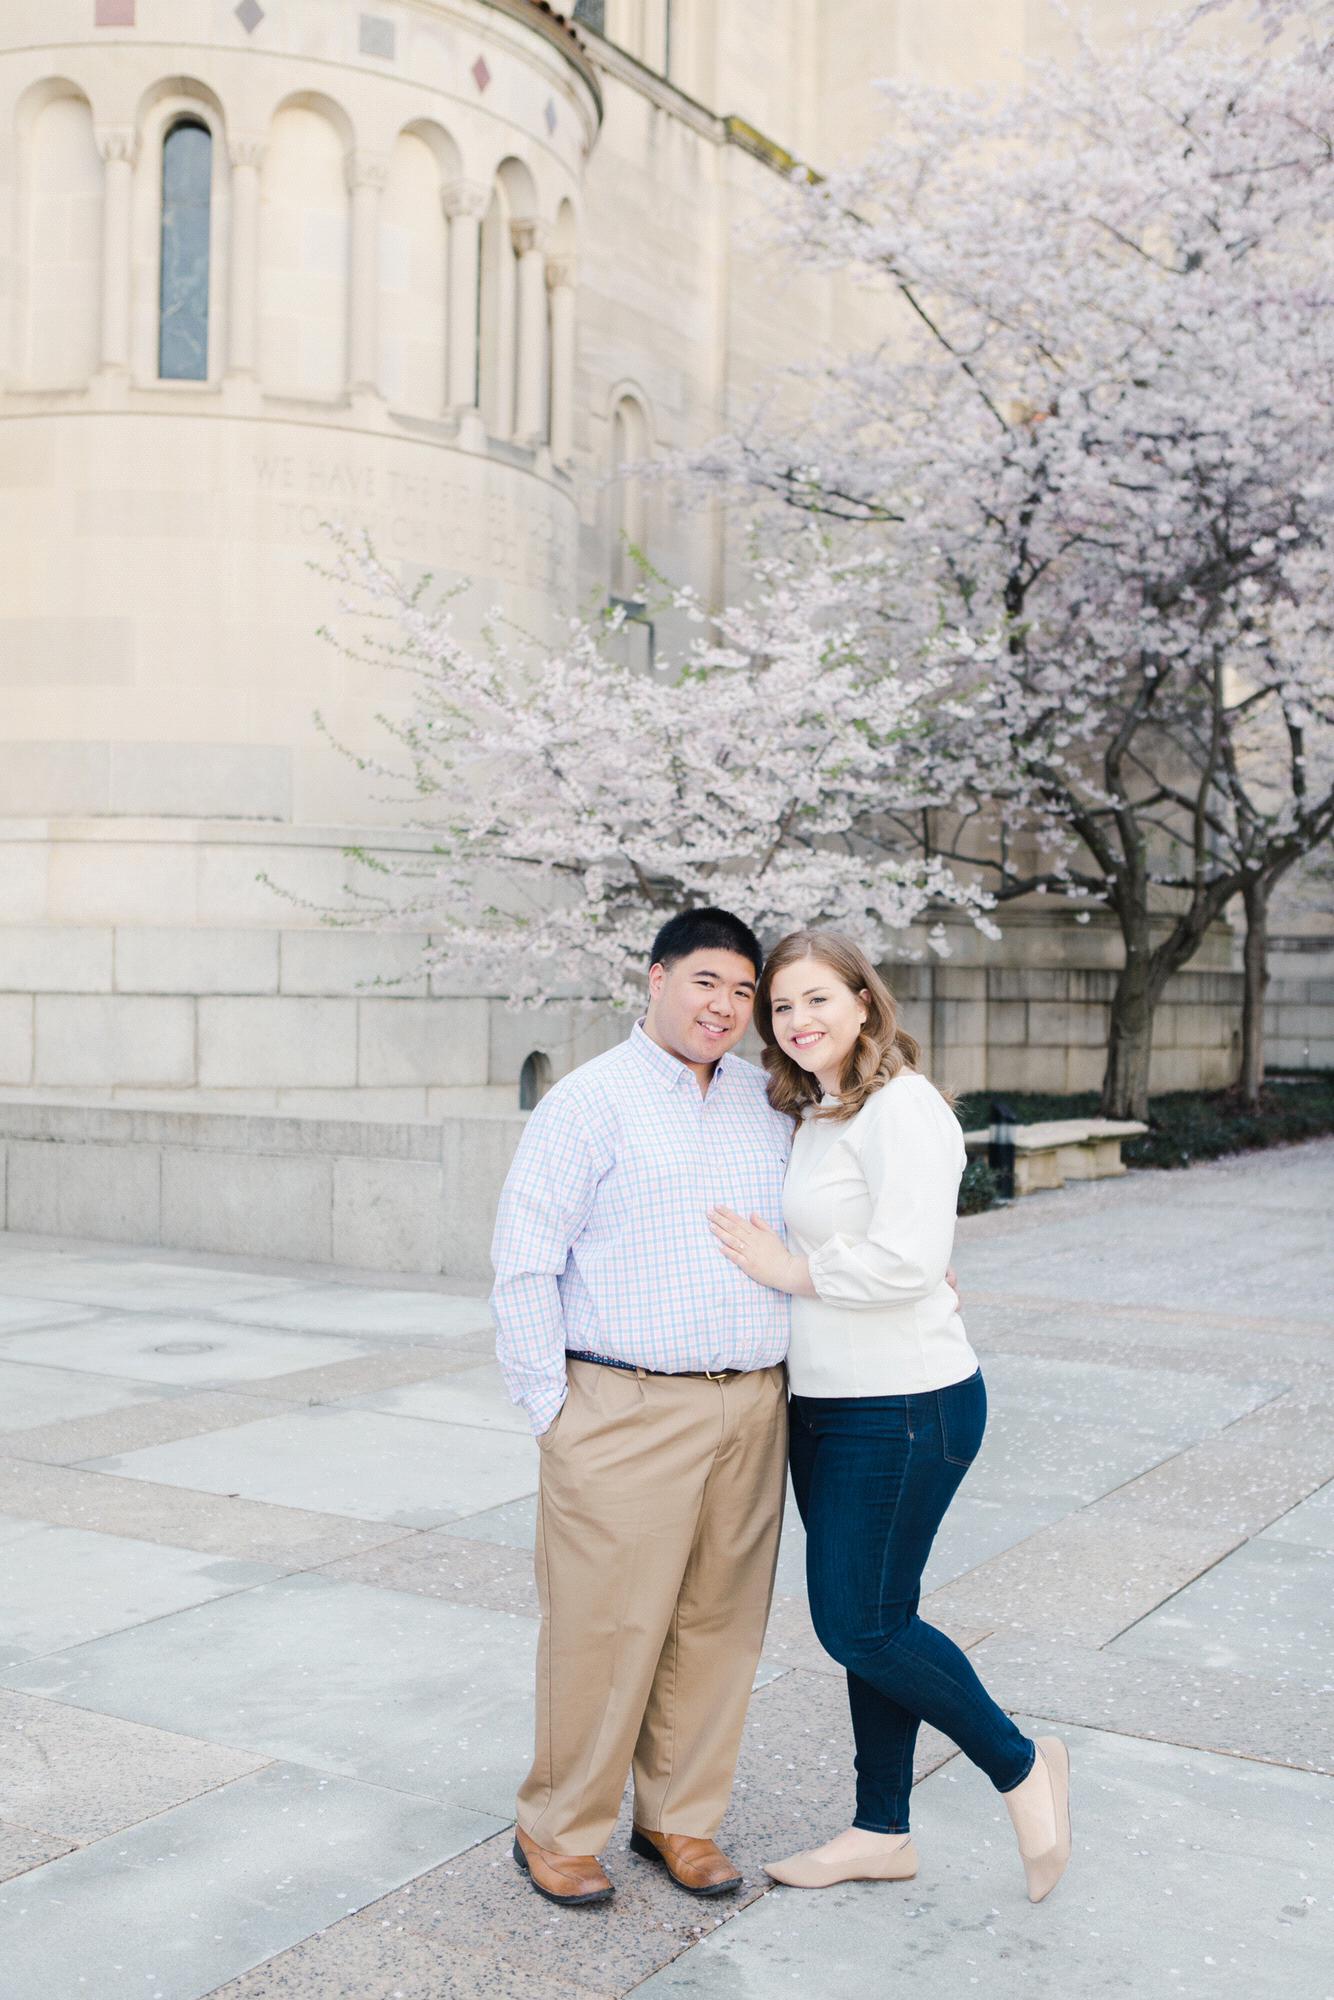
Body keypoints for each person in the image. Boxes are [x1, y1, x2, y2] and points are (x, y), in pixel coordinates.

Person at [708, 930, 1072, 1904]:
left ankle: (1019, 1763)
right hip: (825, 1405)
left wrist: (790, 1269)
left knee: (858, 1624)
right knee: (878, 1614)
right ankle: (880, 1829)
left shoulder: (903, 1107)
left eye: (816, 998)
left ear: (863, 1000)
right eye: (780, 1007)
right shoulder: (818, 1111)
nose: (797, 1021)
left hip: (906, 1403)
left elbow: (907, 1259)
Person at [490, 907, 792, 1907]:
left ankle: (680, 1816)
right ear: (656, 979)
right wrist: (553, 1412)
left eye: (742, 991)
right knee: (603, 1626)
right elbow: (524, 1261)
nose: (724, 1005)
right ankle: (560, 1828)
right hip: (620, 1404)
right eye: (706, 980)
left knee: (717, 1623)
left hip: (751, 1404)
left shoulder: (767, 1098)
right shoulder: (589, 1101)